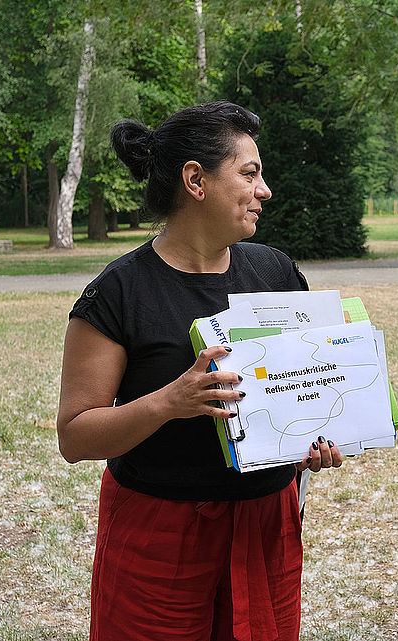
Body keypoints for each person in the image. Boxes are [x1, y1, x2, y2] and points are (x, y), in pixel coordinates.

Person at [56, 101, 343, 641]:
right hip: (158, 534)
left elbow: (304, 388)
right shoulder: (119, 293)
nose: (265, 190)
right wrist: (170, 400)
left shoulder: (274, 271)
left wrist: (318, 436)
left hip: (266, 524)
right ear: (195, 180)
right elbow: (75, 435)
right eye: (250, 173)